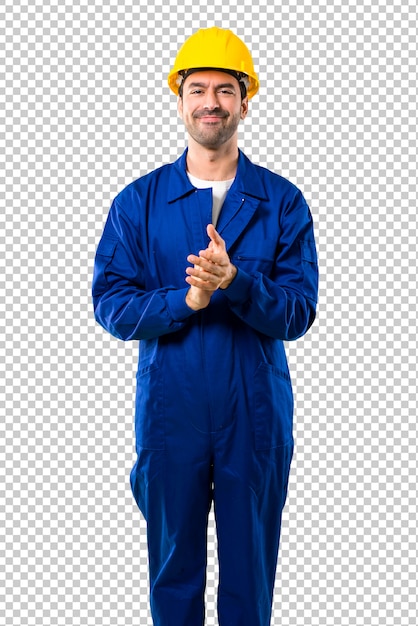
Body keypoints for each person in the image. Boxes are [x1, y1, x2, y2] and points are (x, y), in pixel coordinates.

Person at [92, 26, 318, 626]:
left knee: (250, 577)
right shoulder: (137, 204)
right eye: (198, 89)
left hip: (255, 412)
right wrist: (187, 299)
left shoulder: (282, 202)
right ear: (179, 98)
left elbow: (298, 312)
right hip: (172, 412)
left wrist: (237, 282)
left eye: (225, 89)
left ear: (246, 100)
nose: (211, 102)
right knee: (173, 573)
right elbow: (111, 305)